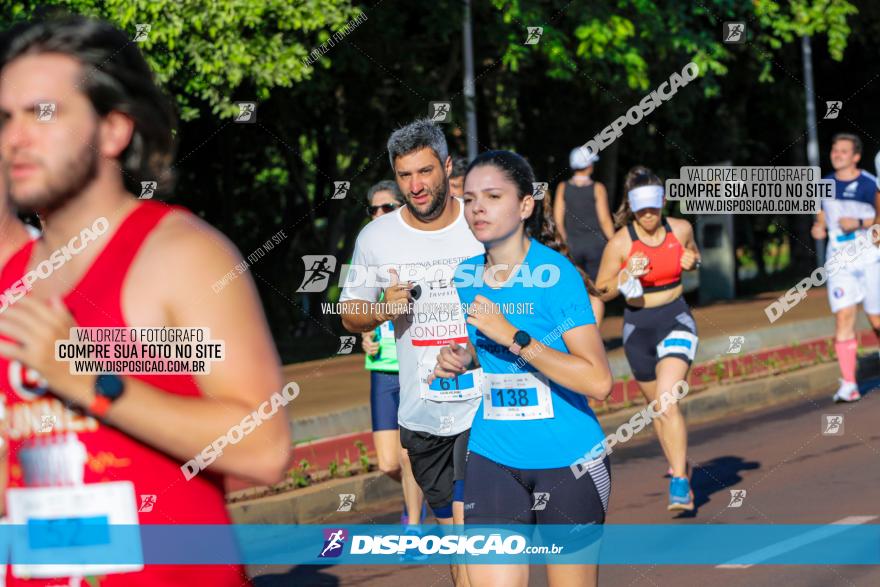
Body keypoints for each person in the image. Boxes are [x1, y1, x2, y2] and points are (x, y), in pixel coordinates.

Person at [0, 17, 290, 586]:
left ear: (112, 131)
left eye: (43, 113)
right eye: (5, 117)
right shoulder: (13, 279)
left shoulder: (179, 254)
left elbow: (264, 446)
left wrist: (84, 378)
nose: (16, 137)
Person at [432, 150, 613, 587]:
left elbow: (598, 380)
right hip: (494, 456)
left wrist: (512, 336)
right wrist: (463, 358)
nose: (478, 208)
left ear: (525, 206)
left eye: (493, 196)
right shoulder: (465, 276)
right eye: (470, 198)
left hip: (569, 461)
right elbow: (485, 349)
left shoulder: (556, 274)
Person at [340, 119, 482, 586]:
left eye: (425, 172)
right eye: (404, 176)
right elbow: (349, 313)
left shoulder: (481, 223)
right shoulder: (376, 238)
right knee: (454, 538)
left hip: (482, 407)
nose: (416, 186)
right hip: (422, 413)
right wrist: (383, 308)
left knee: (469, 530)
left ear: (446, 166)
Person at [595, 166, 701, 512]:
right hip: (637, 327)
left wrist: (693, 261)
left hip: (675, 318)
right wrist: (626, 273)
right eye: (641, 210)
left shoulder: (681, 229)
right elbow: (603, 289)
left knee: (667, 401)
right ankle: (676, 462)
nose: (648, 215)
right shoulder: (621, 242)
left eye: (654, 208)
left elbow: (693, 255)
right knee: (659, 409)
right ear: (633, 207)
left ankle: (680, 483)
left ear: (663, 203)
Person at [359, 180, 426, 530]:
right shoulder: (365, 255)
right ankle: (421, 488)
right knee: (388, 462)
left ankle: (412, 526)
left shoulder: (415, 249)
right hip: (383, 369)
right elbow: (358, 313)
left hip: (414, 363)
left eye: (387, 207)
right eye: (374, 209)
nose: (379, 213)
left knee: (406, 452)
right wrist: (365, 337)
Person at [810, 133, 880, 402]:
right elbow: (821, 215)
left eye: (843, 151)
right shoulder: (823, 184)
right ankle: (849, 384)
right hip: (839, 260)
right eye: (834, 149)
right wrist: (820, 227)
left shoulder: (870, 185)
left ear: (856, 157)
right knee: (843, 316)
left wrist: (861, 225)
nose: (836, 154)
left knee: (876, 321)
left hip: (870, 257)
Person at [554, 147, 614, 322]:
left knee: (574, 291)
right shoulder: (598, 188)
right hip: (596, 247)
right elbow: (604, 220)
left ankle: (577, 337)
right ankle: (595, 337)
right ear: (588, 166)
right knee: (596, 292)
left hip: (572, 247)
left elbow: (558, 221)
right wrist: (614, 242)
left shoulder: (563, 188)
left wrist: (564, 244)